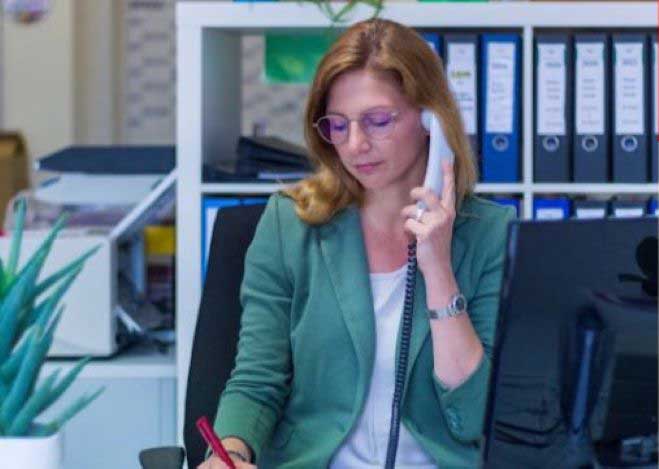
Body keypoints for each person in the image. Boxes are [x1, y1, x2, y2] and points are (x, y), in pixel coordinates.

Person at [199, 18, 515, 469]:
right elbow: (257, 380)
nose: (356, 145)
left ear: (432, 121)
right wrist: (228, 453)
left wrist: (439, 271)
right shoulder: (290, 225)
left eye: (378, 120)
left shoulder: (491, 233)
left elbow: (474, 417)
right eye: (339, 126)